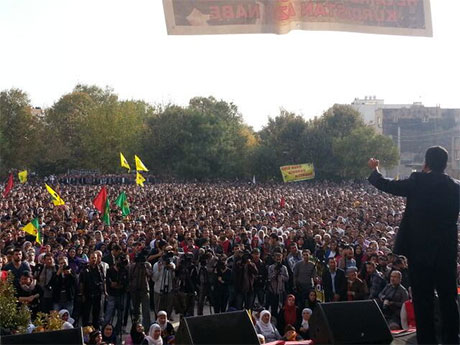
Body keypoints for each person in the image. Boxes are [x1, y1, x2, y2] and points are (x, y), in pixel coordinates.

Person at [368, 146, 460, 344]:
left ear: (426, 163)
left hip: (419, 252)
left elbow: (388, 185)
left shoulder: (418, 181)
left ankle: (427, 341)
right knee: (448, 298)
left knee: (423, 299)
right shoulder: (456, 187)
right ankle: (452, 339)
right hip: (446, 251)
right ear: (445, 165)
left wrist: (375, 170)